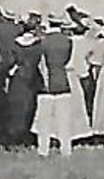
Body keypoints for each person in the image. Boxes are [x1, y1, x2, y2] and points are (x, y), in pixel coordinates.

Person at [32, 18, 88, 156]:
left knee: (44, 120)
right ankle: (66, 150)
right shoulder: (69, 42)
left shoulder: (41, 42)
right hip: (63, 83)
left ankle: (43, 150)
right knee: (64, 120)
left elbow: (39, 64)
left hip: (46, 86)